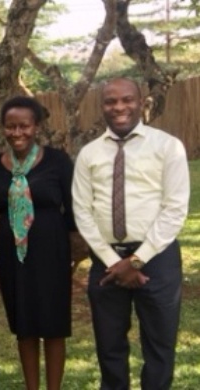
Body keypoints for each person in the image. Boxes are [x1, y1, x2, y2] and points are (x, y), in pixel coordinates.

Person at [72, 77, 189, 390]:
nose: (119, 107)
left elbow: (175, 208)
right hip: (106, 259)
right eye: (111, 101)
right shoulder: (89, 154)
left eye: (127, 100)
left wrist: (136, 261)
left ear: (142, 103)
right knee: (109, 347)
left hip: (157, 257)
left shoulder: (167, 146)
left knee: (160, 347)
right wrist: (115, 262)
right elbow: (83, 212)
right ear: (103, 107)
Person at [0, 96, 76, 390]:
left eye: (24, 126)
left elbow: (73, 209)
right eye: (11, 127)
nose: (17, 133)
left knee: (53, 326)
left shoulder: (57, 161)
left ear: (36, 126)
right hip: (12, 254)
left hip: (51, 251)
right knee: (24, 326)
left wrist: (75, 252)